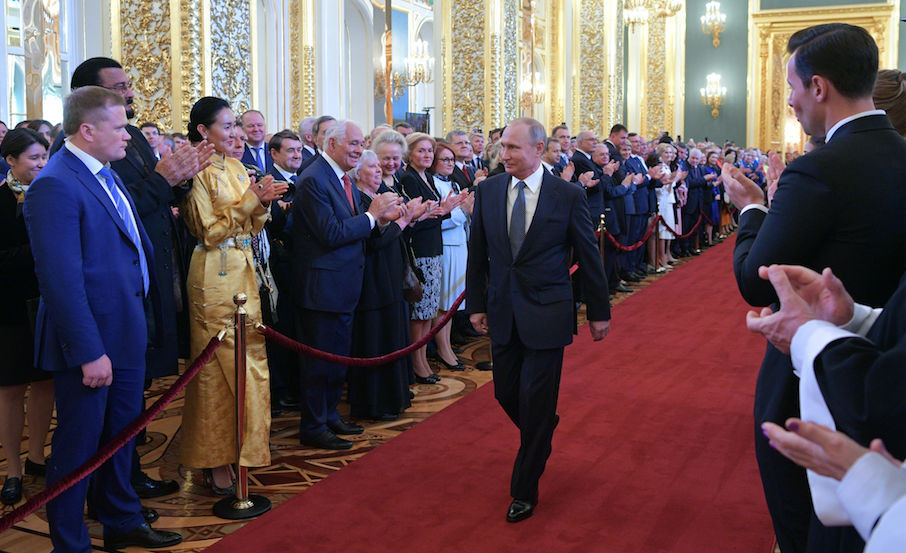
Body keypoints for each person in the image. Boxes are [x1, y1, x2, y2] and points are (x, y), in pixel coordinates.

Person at [724, 23, 906, 553]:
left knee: (805, 525)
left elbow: (757, 282)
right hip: (888, 359)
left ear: (819, 87)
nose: (791, 102)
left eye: (792, 88)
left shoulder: (820, 169)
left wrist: (752, 209)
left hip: (816, 383)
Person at [24, 86, 183, 551]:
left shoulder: (105, 174)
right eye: (120, 129)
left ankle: (121, 519)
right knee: (78, 448)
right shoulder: (54, 183)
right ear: (87, 129)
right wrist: (90, 351)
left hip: (127, 332)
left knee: (122, 437)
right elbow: (60, 281)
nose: (129, 139)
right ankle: (70, 544)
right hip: (90, 343)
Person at [56, 57, 213, 504]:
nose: (130, 94)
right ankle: (99, 502)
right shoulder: (67, 168)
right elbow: (116, 218)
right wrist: (165, 178)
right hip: (105, 312)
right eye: (119, 87)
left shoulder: (129, 139)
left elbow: (149, 198)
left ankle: (123, 489)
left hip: (142, 291)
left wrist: (181, 178)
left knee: (129, 407)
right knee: (93, 427)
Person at [465, 117, 611, 523]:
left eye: (512, 148)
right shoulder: (489, 189)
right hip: (502, 311)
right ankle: (542, 424)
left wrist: (598, 312)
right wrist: (475, 304)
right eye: (502, 148)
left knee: (535, 397)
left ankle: (524, 489)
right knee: (506, 394)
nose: (504, 154)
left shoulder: (566, 195)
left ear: (537, 148)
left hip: (548, 311)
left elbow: (588, 253)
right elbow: (478, 253)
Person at [178, 97, 287, 493]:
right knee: (214, 366)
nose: (234, 134)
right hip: (213, 270)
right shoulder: (199, 172)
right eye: (226, 126)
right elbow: (208, 230)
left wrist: (262, 201)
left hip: (243, 269)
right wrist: (251, 202)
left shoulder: (238, 167)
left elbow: (254, 223)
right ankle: (213, 457)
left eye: (235, 126)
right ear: (203, 131)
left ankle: (244, 448)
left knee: (249, 361)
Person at [292, 120, 402, 450]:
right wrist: (372, 216)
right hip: (321, 290)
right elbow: (332, 233)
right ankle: (313, 426)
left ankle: (329, 416)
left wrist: (380, 219)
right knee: (318, 363)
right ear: (332, 144)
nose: (358, 149)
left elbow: (354, 227)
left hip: (343, 286)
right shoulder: (313, 179)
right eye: (353, 144)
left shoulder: (341, 179)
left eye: (361, 143)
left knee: (338, 359)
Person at [0, 129, 55, 506]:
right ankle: (13, 470)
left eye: (43, 157)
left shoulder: (51, 194)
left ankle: (37, 457)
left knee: (46, 383)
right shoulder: (2, 200)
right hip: (10, 305)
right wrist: (40, 250)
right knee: (11, 389)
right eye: (32, 158)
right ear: (11, 161)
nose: (40, 164)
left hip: (47, 301)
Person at [347, 150, 422, 420]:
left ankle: (394, 396)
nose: (379, 170)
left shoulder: (379, 198)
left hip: (390, 277)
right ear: (357, 173)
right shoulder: (361, 201)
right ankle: (375, 403)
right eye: (372, 166)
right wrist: (402, 220)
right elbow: (373, 242)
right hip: (373, 280)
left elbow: (394, 237)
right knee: (375, 339)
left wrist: (411, 218)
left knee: (393, 337)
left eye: (379, 166)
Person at [400, 133, 466, 385]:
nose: (427, 155)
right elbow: (416, 222)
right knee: (420, 312)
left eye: (430, 151)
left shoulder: (425, 177)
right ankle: (417, 362)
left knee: (428, 312)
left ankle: (424, 360)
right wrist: (444, 212)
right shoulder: (409, 178)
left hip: (433, 249)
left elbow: (433, 217)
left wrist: (445, 212)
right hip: (421, 252)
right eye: (421, 151)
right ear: (409, 154)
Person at [428, 141, 474, 371]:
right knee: (443, 303)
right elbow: (439, 219)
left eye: (451, 159)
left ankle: (446, 344)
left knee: (453, 301)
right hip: (445, 245)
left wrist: (464, 211)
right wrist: (461, 211)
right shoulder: (432, 184)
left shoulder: (453, 183)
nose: (449, 164)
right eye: (444, 159)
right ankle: (442, 349)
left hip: (459, 243)